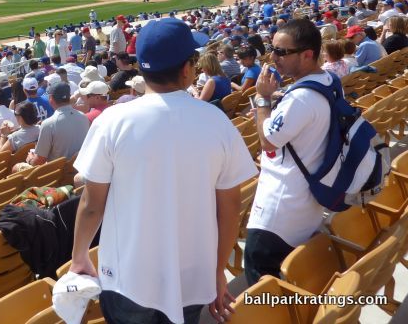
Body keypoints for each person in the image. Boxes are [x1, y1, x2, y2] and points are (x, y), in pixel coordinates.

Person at [69, 18, 257, 324]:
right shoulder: (217, 121)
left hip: (127, 276)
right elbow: (230, 208)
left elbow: (92, 205)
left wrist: (79, 255)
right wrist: (218, 274)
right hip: (193, 275)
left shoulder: (111, 121)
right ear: (186, 69)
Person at [245, 18, 333, 285]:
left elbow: (268, 142)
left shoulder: (301, 98)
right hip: (305, 204)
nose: (273, 58)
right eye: (273, 49)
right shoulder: (326, 80)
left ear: (307, 54)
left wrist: (263, 100)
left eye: (282, 52)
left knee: (265, 297)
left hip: (279, 213)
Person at [27, 82, 89, 166]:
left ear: (51, 98)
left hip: (60, 175)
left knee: (17, 167)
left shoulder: (48, 124)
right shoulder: (84, 117)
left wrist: (30, 159)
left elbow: (39, 161)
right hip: (80, 168)